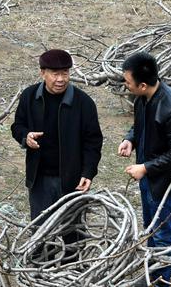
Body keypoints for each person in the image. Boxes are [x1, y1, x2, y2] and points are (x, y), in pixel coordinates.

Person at [118, 52, 171, 287]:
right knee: (151, 228)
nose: (125, 85)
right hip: (150, 173)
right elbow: (140, 125)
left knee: (163, 232)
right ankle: (153, 273)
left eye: (128, 82)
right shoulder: (143, 98)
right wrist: (130, 139)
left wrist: (146, 167)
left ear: (143, 84)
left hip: (168, 179)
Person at [10, 49, 103, 220]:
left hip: (72, 180)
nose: (61, 79)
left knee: (71, 229)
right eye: (55, 74)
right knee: (40, 228)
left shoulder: (84, 103)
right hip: (39, 179)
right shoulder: (30, 97)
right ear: (43, 73)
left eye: (65, 73)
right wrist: (26, 136)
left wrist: (88, 172)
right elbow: (17, 126)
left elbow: (93, 142)